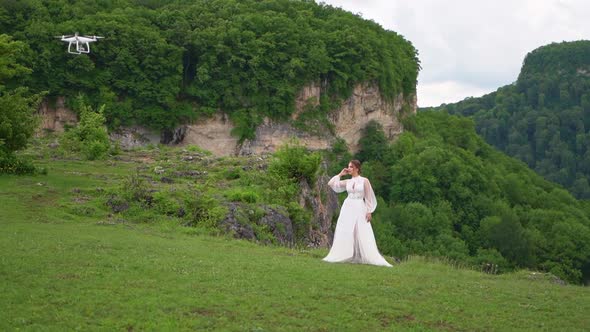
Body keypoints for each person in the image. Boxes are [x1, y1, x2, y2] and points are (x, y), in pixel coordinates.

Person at [323, 160, 392, 267]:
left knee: (361, 229)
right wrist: (341, 174)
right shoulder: (348, 182)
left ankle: (361, 254)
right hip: (348, 206)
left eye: (351, 167)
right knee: (347, 229)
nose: (348, 168)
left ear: (357, 168)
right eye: (348, 167)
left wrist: (369, 211)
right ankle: (350, 254)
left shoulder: (365, 181)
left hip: (360, 206)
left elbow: (368, 197)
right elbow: (331, 183)